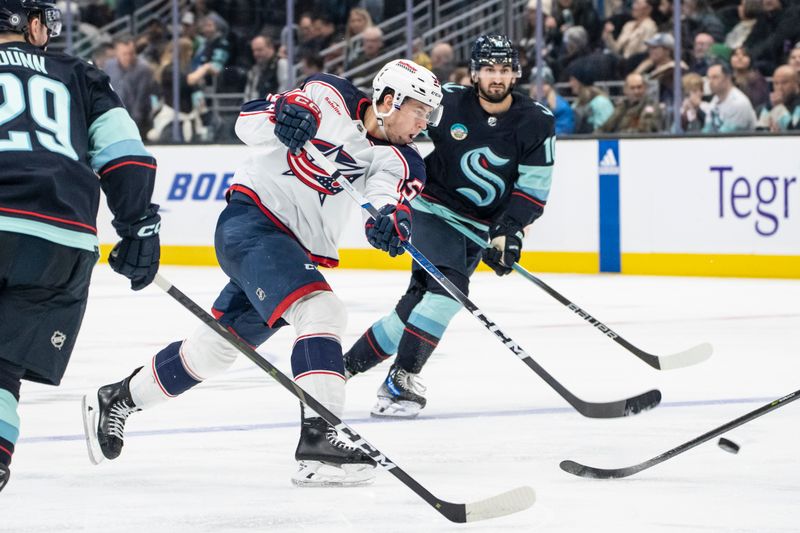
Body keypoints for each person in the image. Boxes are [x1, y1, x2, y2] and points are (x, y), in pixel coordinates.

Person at [82, 59, 443, 486]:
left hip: (288, 250)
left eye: (429, 113)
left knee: (213, 352)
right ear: (388, 99)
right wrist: (283, 116)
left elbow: (384, 200)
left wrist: (389, 222)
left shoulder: (405, 160)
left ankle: (117, 399)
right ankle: (320, 440)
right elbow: (247, 122)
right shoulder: (328, 95)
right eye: (419, 109)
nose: (424, 121)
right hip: (251, 223)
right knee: (321, 311)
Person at [342, 35, 555, 418]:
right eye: (489, 69)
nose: (497, 77)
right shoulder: (449, 101)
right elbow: (401, 124)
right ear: (475, 72)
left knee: (413, 309)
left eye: (505, 70)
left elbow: (533, 191)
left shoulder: (537, 121)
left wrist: (510, 231)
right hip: (431, 209)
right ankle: (400, 380)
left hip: (479, 228)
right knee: (449, 290)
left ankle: (341, 370)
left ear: (515, 74)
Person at [0, 0, 160, 492]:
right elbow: (126, 156)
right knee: (4, 365)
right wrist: (139, 229)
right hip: (57, 237)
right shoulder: (79, 73)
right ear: (28, 24)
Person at [703, 60, 757, 132]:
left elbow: (727, 136)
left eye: (715, 77)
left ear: (727, 78)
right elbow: (707, 129)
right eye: (709, 78)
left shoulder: (739, 103)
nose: (710, 82)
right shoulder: (715, 100)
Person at [529, 64, 575, 134]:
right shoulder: (526, 105)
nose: (540, 87)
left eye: (544, 84)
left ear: (551, 86)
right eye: (536, 84)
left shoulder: (561, 106)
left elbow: (564, 130)